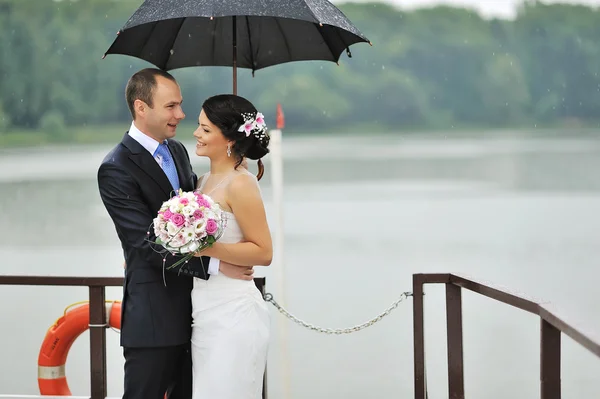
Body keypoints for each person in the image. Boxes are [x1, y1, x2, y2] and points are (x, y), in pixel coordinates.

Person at [97, 68, 254, 399]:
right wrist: (215, 266)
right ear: (142, 108)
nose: (180, 114)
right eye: (171, 106)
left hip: (200, 316)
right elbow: (144, 244)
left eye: (180, 105)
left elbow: (205, 213)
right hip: (154, 321)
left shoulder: (179, 151)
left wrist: (236, 175)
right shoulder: (116, 168)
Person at [190, 94, 272, 399]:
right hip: (203, 311)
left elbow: (263, 252)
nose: (196, 134)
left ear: (228, 139)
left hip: (234, 313)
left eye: (205, 129)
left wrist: (204, 248)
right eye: (198, 127)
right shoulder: (201, 181)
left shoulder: (242, 183)